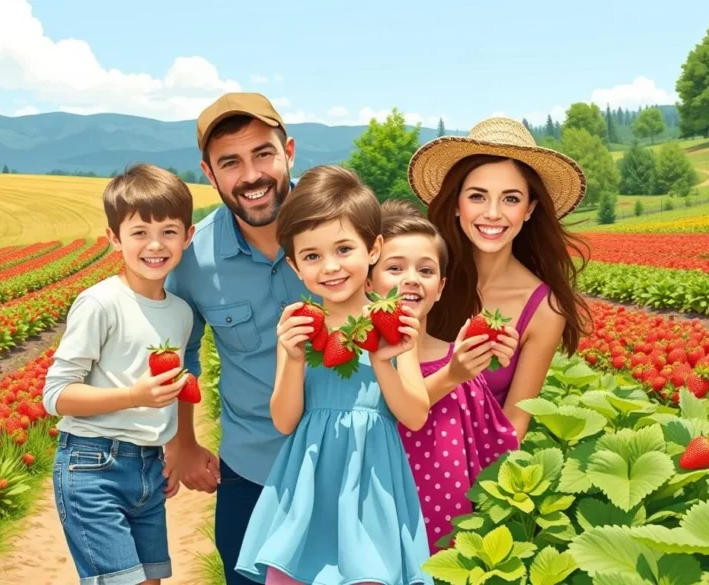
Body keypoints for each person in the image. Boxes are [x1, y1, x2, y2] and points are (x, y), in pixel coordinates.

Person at [234, 165, 433, 585]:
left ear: (373, 248)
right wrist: (290, 356)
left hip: (372, 484)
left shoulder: (396, 323)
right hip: (309, 482)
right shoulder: (300, 325)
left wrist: (383, 361)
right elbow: (285, 421)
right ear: (294, 264)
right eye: (312, 256)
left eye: (344, 249)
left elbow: (415, 415)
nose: (330, 267)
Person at [163, 93, 311, 585]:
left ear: (288, 151)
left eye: (263, 154)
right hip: (252, 471)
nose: (251, 176)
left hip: (351, 462)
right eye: (231, 162)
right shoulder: (193, 259)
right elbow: (180, 357)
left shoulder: (341, 229)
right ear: (209, 173)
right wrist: (183, 441)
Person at [42, 163, 197, 585]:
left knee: (150, 581)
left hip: (148, 466)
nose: (155, 244)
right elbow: (55, 395)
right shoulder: (100, 304)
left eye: (169, 231)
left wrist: (175, 446)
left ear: (188, 235)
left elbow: (178, 387)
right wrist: (134, 396)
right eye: (139, 233)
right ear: (114, 239)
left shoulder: (181, 314)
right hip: (93, 465)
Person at [410, 116, 592, 440]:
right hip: (392, 457)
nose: (493, 213)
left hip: (468, 474)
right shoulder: (420, 278)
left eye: (511, 198)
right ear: (455, 204)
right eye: (477, 196)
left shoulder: (544, 309)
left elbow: (514, 428)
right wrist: (455, 372)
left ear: (530, 209)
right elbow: (383, 386)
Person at [366, 199, 520, 552]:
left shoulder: (460, 358)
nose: (411, 279)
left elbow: (492, 450)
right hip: (378, 518)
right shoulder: (361, 361)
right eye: (394, 267)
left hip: (448, 520)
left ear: (441, 287)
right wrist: (454, 374)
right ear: (368, 281)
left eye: (426, 270)